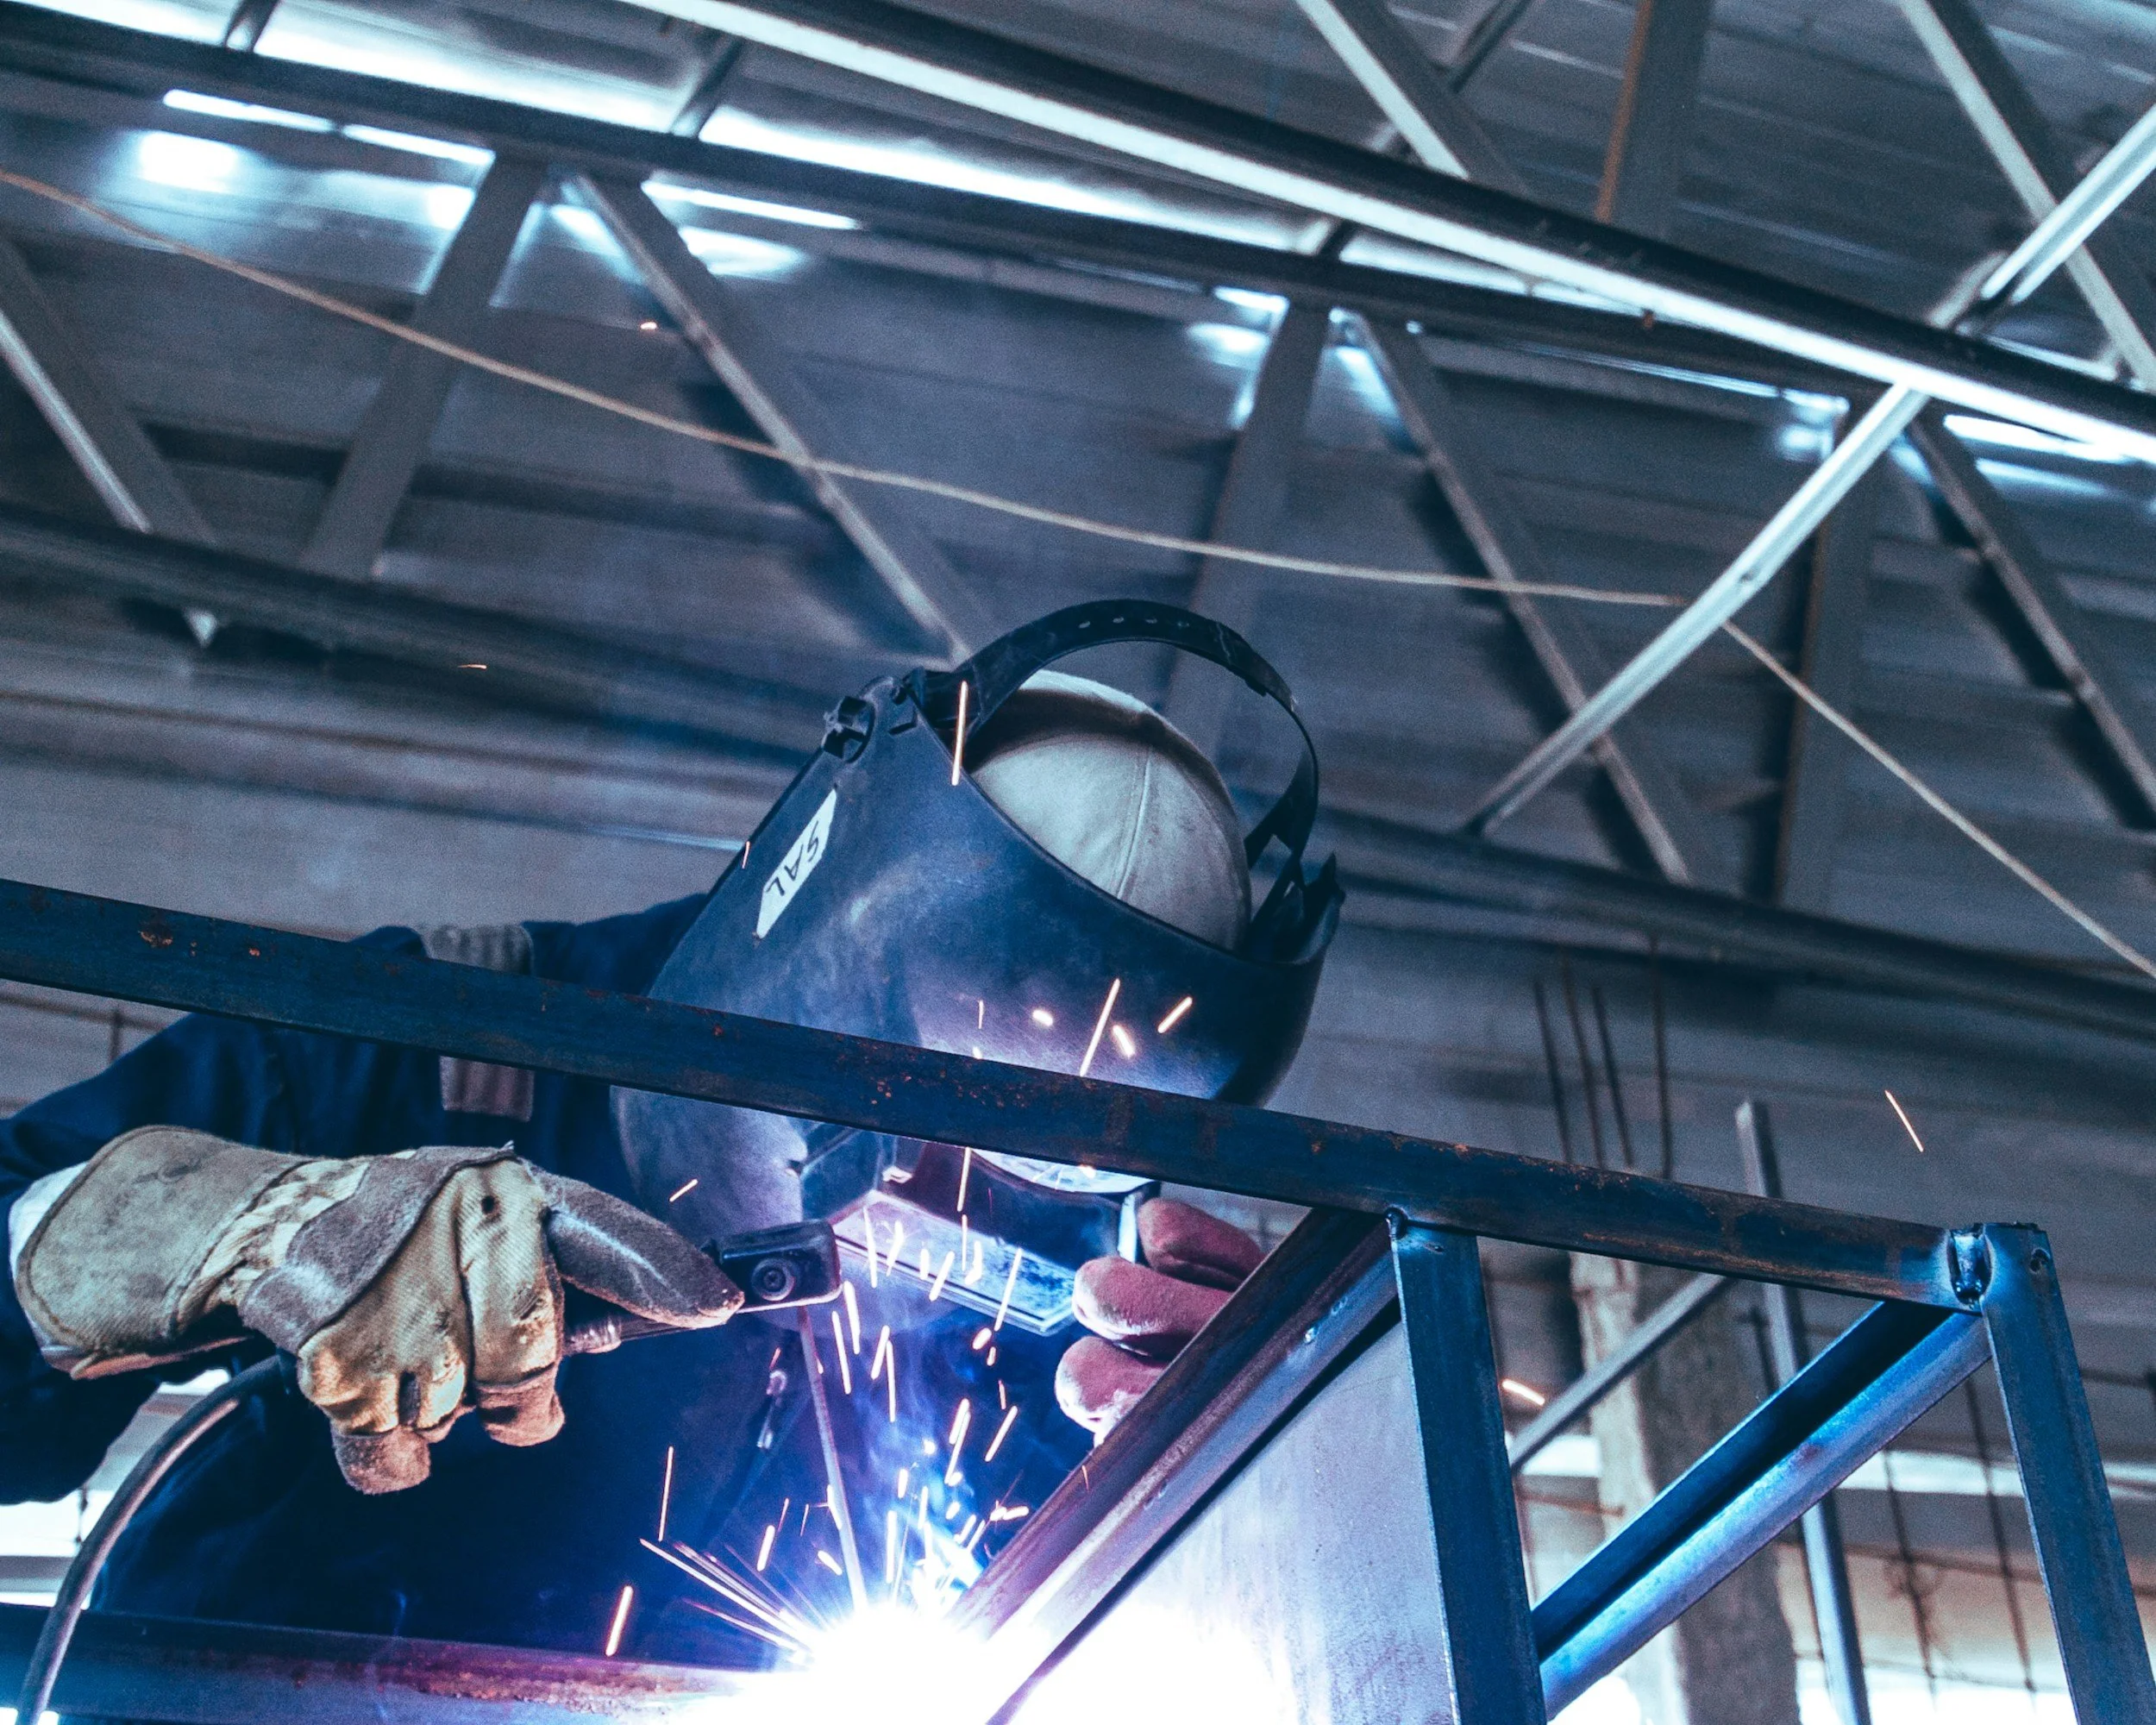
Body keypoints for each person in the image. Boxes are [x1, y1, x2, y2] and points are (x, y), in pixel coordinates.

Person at [0, 603, 1337, 1659]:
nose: (950, 1198)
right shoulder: (430, 1044)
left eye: (1028, 1154)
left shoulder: (1067, 1309)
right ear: (816, 941)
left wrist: (1241, 1483)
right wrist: (160, 1235)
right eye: (926, 1113)